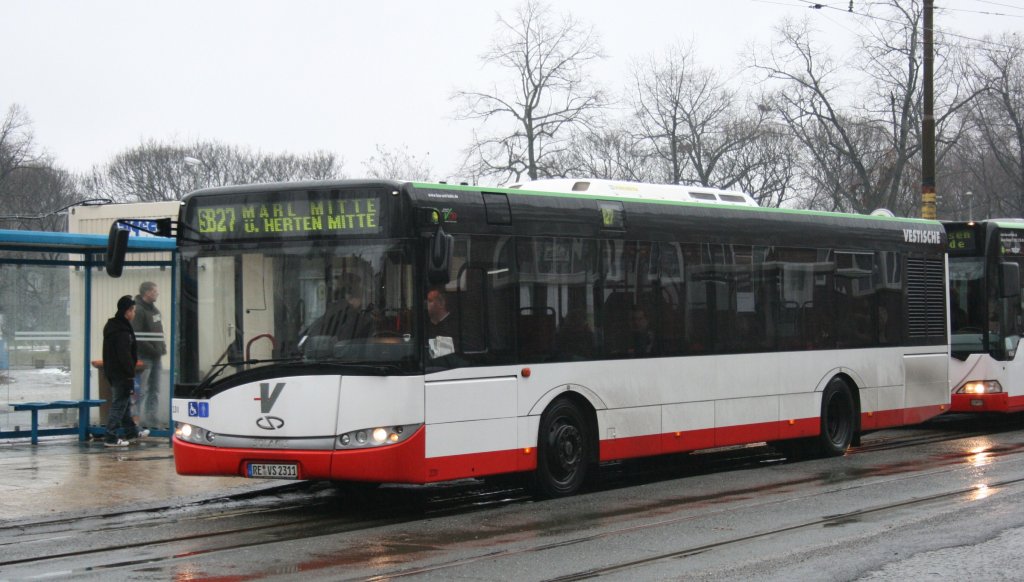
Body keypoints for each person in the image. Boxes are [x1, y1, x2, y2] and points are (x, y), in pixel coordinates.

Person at [102, 295, 149, 447]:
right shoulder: (121, 331)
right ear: (127, 311)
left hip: (114, 372)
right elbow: (124, 356)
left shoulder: (115, 327)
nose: (134, 314)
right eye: (133, 310)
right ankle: (111, 437)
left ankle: (131, 432)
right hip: (121, 374)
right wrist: (130, 374)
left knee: (124, 404)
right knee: (119, 405)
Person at [132, 282, 166, 427]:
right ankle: (135, 420)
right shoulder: (138, 310)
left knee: (155, 388)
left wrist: (161, 347)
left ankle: (151, 418)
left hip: (155, 355)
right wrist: (153, 349)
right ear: (147, 293)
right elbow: (137, 335)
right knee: (142, 389)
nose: (157, 294)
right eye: (154, 291)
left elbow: (159, 331)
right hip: (144, 356)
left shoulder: (155, 311)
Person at [426, 288, 458, 357]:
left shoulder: (453, 326)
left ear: (441, 303)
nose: (426, 305)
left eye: (430, 301)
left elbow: (443, 355)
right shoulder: (426, 325)